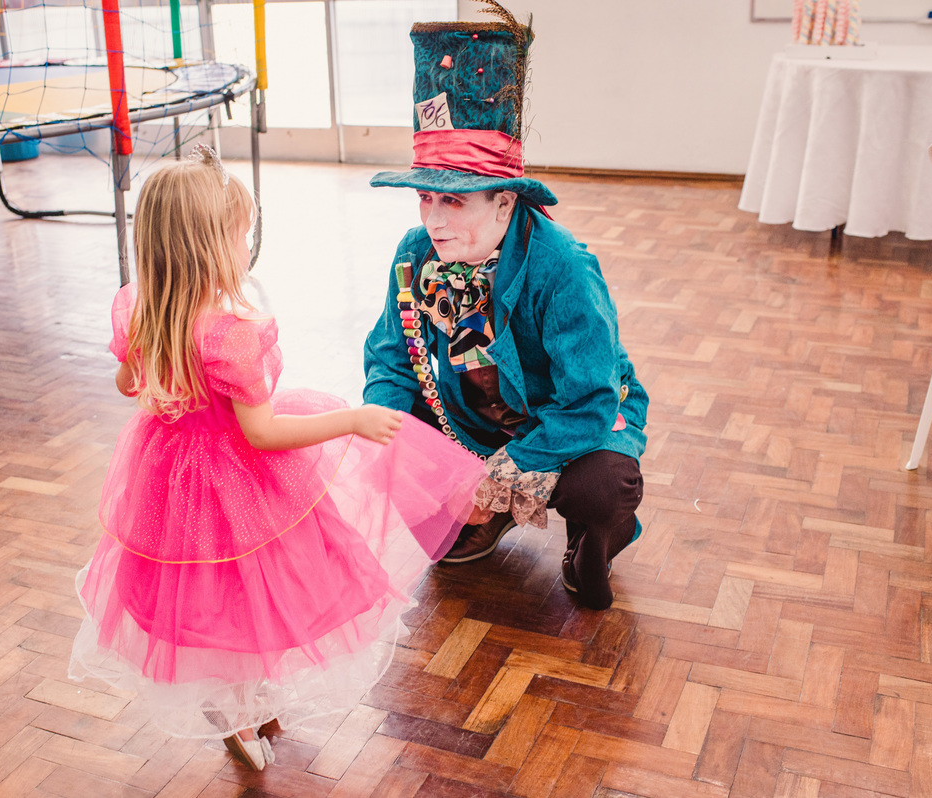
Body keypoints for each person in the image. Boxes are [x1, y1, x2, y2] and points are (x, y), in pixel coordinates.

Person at [68, 146, 486, 771]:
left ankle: (246, 702)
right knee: (253, 593)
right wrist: (350, 420)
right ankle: (239, 713)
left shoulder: (139, 305)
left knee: (214, 594)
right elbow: (261, 433)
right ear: (210, 245)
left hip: (166, 468)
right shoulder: (235, 332)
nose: (246, 245)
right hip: (234, 478)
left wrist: (170, 390)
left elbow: (129, 385)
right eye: (242, 234)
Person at [363, 7, 648, 611]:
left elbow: (591, 403)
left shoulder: (563, 267)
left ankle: (589, 541)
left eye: (455, 202)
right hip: (470, 421)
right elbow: (390, 364)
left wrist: (492, 484)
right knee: (388, 435)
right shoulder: (416, 253)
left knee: (603, 488)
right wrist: (390, 448)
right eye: (425, 199)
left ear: (504, 204)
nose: (434, 219)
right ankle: (483, 522)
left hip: (563, 428)